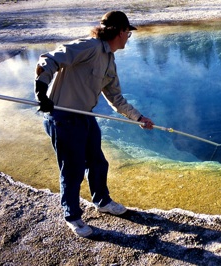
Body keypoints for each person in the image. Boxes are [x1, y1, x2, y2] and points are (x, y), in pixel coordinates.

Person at [34, 11, 154, 237]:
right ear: (120, 32)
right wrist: (41, 90)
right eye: (128, 32)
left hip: (85, 117)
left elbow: (116, 98)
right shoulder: (88, 46)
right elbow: (49, 59)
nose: (129, 36)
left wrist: (139, 118)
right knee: (72, 170)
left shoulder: (109, 59)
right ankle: (72, 216)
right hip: (62, 117)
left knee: (98, 162)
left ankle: (102, 201)